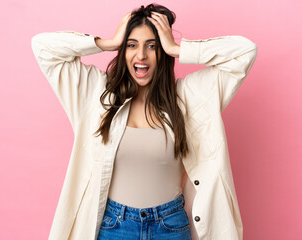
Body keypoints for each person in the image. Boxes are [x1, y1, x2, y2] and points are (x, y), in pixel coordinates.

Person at [31, 3, 257, 240]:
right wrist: (108, 42)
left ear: (163, 52)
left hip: (170, 226)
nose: (141, 55)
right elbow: (43, 47)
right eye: (131, 45)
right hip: (114, 226)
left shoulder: (190, 97)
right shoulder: (96, 93)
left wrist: (177, 48)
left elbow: (245, 52)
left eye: (152, 46)